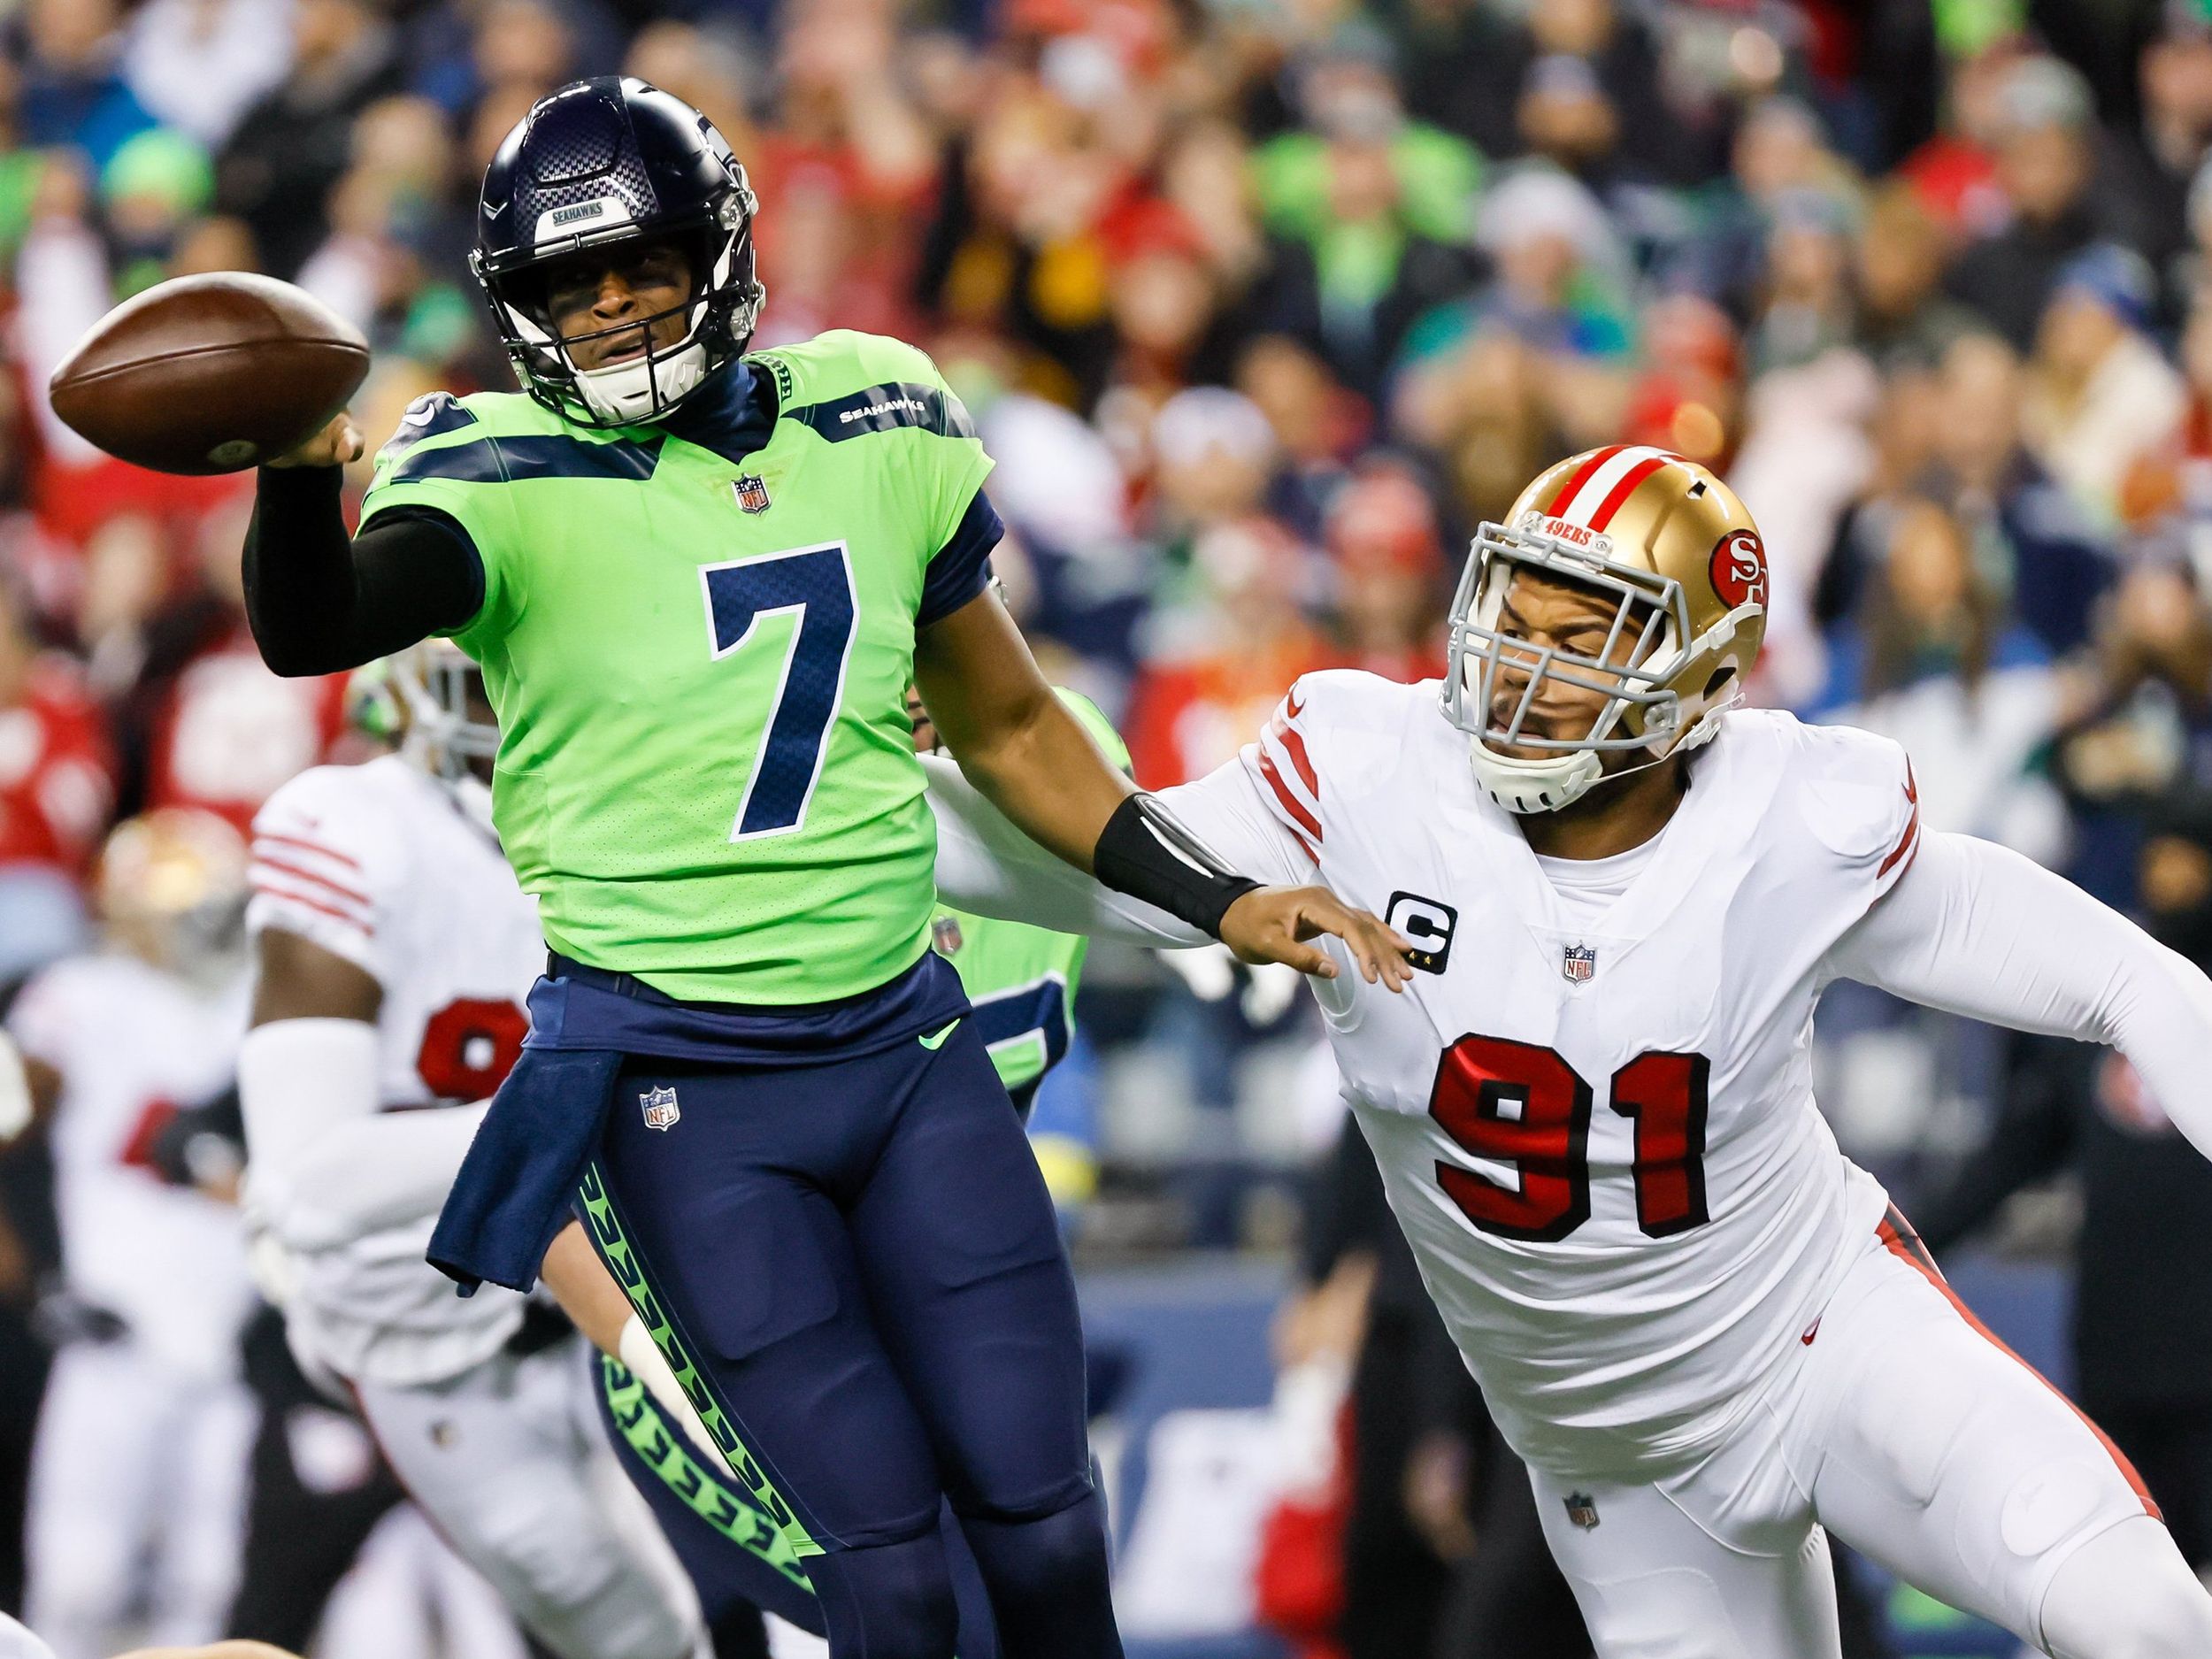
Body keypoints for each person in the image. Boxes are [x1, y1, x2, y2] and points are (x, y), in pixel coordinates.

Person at [239, 77, 1407, 1659]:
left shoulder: (878, 413)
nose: (608, 305)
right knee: (890, 1570)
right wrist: (298, 470)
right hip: (685, 1086)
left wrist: (1211, 893)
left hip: (903, 1046)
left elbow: (1008, 723)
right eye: (566, 283)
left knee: (1048, 1529)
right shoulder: (489, 466)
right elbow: (316, 627)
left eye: (639, 262)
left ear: (718, 250)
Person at [1057, 443, 2212, 1658]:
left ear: (1699, 675)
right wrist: (879, 799)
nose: (1521, 661)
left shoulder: (1788, 818)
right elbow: (1098, 847)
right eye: (1519, 607)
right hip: (1621, 1470)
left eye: (1582, 635)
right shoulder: (1370, 773)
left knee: (2137, 1613)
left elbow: (2133, 979)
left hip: (1828, 1343)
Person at [234, 640, 741, 1659]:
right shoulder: (354, 826)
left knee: (774, 1598)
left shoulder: (662, 807)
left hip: (627, 1281)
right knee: (628, 1632)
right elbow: (305, 1182)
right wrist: (567, 1124)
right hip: (427, 1334)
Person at [6, 810, 256, 1659]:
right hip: (117, 1332)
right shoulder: (80, 997)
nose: (210, 928)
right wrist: (27, 1267)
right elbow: (9, 1115)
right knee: (79, 1579)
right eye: (193, 908)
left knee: (210, 1584)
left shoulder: (266, 995)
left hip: (235, 1339)